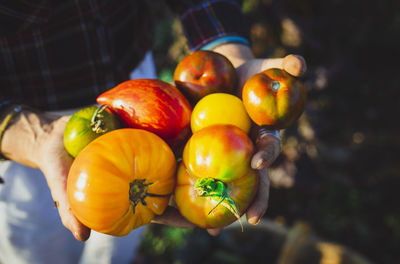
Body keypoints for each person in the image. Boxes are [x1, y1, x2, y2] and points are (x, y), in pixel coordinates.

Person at [0, 0, 306, 263]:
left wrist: (228, 51)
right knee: (35, 241)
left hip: (139, 92)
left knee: (119, 240)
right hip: (25, 124)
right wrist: (20, 130)